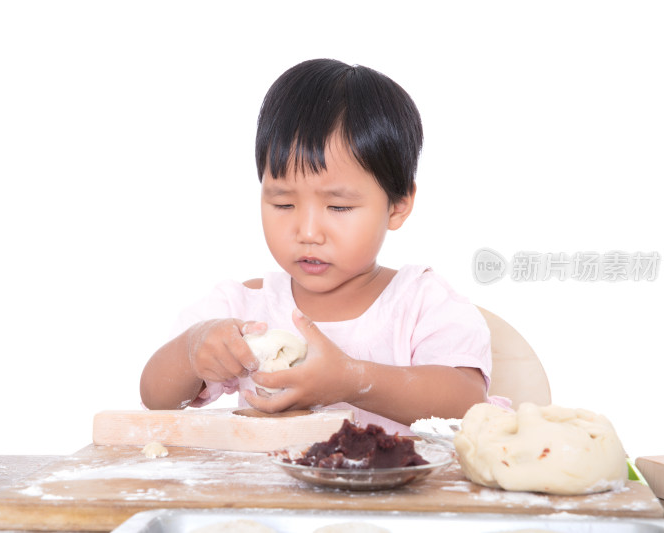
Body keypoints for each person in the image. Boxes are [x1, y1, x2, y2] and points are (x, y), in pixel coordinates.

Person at [140, 58, 508, 435]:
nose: (308, 231)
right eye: (283, 203)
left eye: (339, 207)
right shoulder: (245, 309)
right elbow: (157, 398)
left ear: (397, 205)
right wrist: (192, 352)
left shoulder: (422, 304)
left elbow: (465, 402)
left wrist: (353, 380)